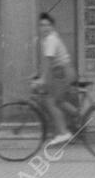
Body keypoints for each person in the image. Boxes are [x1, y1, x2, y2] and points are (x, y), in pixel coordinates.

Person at [32, 13, 77, 147]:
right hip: (61, 71)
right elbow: (46, 63)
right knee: (59, 100)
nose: (44, 28)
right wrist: (38, 75)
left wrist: (42, 79)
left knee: (50, 102)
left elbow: (49, 60)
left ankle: (64, 133)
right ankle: (77, 115)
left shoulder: (51, 39)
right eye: (42, 25)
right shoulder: (46, 39)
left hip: (62, 72)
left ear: (52, 26)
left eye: (47, 25)